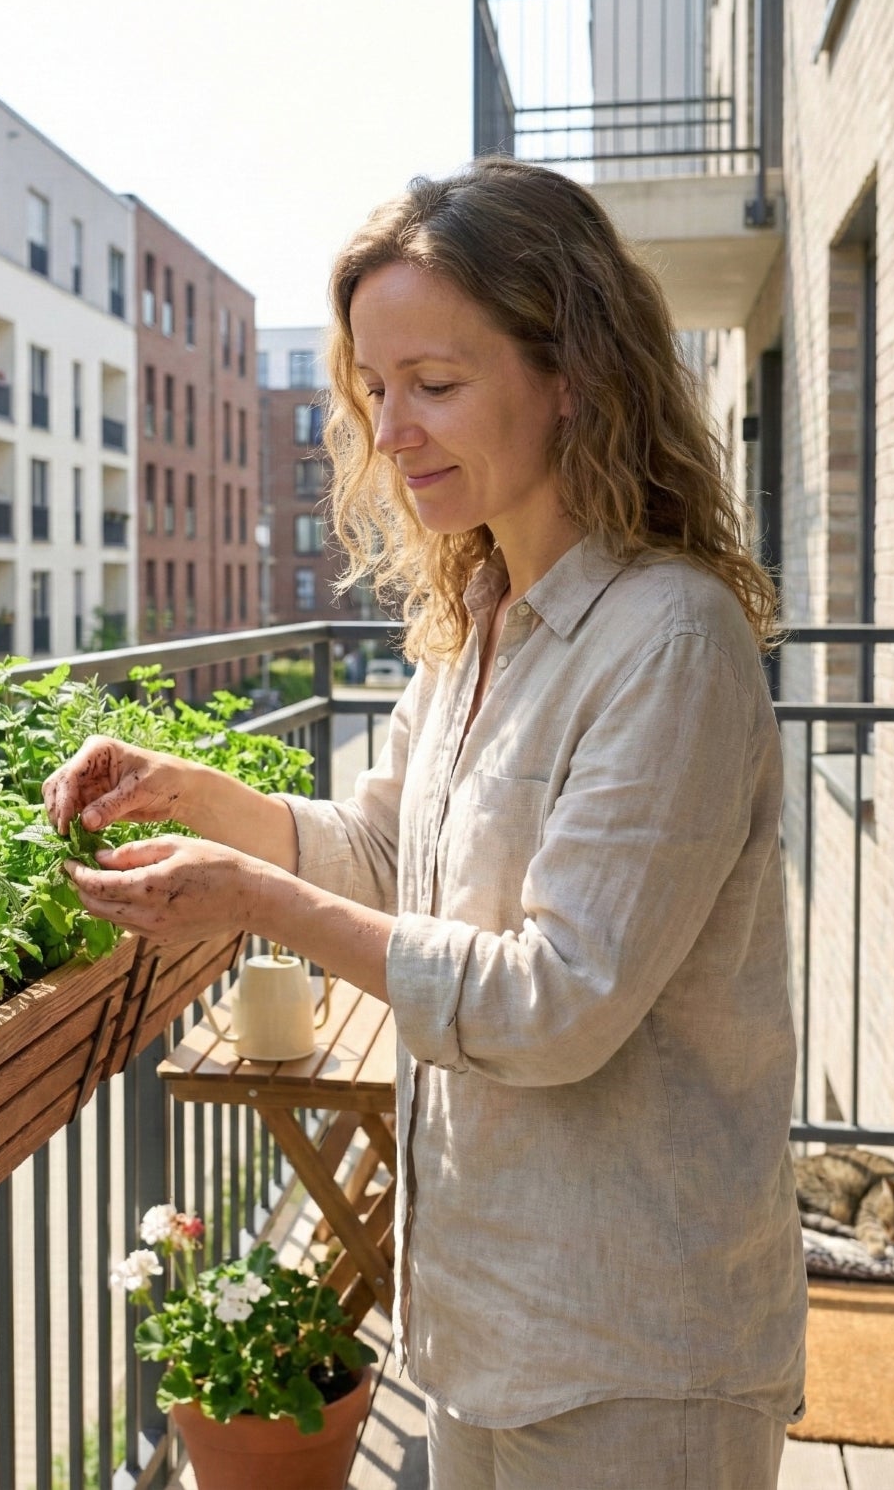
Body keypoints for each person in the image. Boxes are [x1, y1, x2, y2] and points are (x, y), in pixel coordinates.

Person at [44, 156, 806, 1489]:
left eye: (436, 385)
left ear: (573, 373)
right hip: (479, 1319)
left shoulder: (669, 641)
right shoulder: (478, 624)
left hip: (635, 1350)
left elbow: (557, 1002)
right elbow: (396, 856)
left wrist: (258, 903)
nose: (392, 430)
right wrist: (196, 794)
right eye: (375, 387)